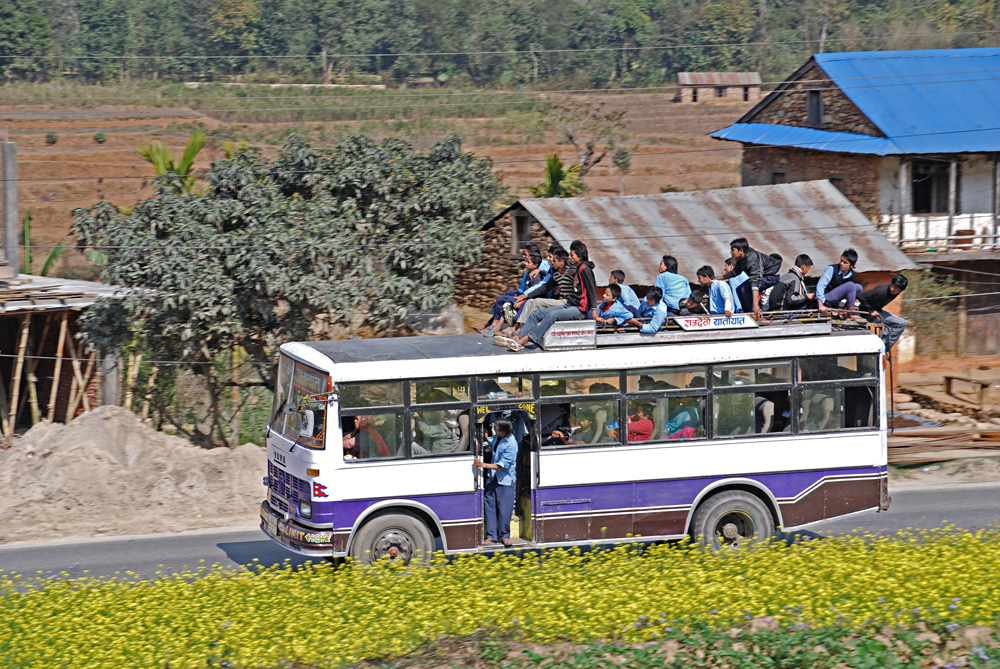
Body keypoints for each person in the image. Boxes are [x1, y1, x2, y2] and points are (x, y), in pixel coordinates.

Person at [500, 240, 599, 352]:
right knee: (536, 314)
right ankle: (517, 337)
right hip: (569, 305)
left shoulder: (584, 269)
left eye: (572, 255)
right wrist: (525, 296)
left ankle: (525, 340)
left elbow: (591, 290)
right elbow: (546, 287)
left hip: (579, 310)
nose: (569, 257)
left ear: (580, 256)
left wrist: (594, 311)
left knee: (552, 315)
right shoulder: (577, 269)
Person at [475, 248, 545, 334]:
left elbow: (533, 293)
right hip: (523, 294)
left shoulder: (537, 276)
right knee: (501, 298)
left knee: (507, 303)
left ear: (536, 265)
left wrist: (522, 299)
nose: (525, 263)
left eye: (528, 262)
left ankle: (499, 326)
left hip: (529, 298)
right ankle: (493, 324)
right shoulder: (529, 273)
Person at [474, 418, 518, 546]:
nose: (494, 429)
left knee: (505, 509)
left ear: (503, 431)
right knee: (490, 507)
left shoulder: (511, 444)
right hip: (492, 477)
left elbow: (501, 466)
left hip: (505, 480)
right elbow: (493, 442)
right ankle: (491, 536)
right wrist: (487, 438)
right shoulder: (498, 438)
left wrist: (482, 465)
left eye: (496, 428)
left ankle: (505, 535)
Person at [511, 248, 574, 329]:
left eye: (554, 260)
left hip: (566, 302)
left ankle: (522, 330)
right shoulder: (556, 274)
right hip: (558, 301)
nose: (551, 262)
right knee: (529, 302)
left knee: (536, 302)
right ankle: (517, 327)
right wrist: (526, 296)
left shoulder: (571, 273)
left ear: (561, 262)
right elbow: (545, 287)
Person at [722, 238, 781, 319]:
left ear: (741, 251)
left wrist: (755, 305)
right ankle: (748, 313)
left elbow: (755, 283)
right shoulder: (741, 259)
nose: (731, 252)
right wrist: (718, 278)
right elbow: (735, 272)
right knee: (739, 289)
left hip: (771, 277)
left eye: (733, 250)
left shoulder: (752, 259)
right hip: (762, 277)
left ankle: (757, 315)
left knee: (746, 289)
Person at [859, 273, 909, 350]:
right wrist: (871, 310)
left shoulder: (896, 292)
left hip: (878, 312)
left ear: (900, 290)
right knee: (900, 323)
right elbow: (860, 296)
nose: (892, 289)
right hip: (867, 314)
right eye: (892, 285)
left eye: (896, 288)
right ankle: (883, 349)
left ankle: (883, 347)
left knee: (902, 323)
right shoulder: (880, 291)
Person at [816, 248, 864, 316]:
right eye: (841, 261)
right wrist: (820, 304)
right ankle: (851, 313)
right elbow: (820, 285)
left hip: (837, 299)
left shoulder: (852, 274)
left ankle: (845, 310)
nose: (841, 263)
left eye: (845, 262)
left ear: (851, 266)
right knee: (850, 285)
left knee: (858, 287)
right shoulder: (832, 269)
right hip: (826, 298)